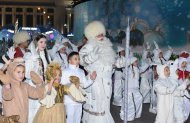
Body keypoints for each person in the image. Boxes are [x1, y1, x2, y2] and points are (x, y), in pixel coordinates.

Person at [79, 21, 116, 123]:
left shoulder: (108, 47)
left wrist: (118, 63)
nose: (101, 36)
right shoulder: (88, 46)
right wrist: (92, 57)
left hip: (107, 81)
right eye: (98, 34)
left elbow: (112, 63)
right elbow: (81, 60)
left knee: (106, 104)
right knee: (98, 105)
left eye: (102, 34)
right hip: (96, 80)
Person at [0, 57, 44, 123]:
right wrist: (7, 86)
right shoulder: (8, 84)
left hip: (23, 118)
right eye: (18, 72)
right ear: (12, 72)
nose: (21, 75)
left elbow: (37, 94)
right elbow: (7, 97)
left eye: (23, 72)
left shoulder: (25, 85)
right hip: (12, 119)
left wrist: (39, 84)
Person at [61, 52, 97, 123]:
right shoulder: (65, 71)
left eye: (78, 59)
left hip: (79, 100)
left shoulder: (81, 71)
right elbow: (62, 86)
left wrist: (91, 79)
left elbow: (85, 85)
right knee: (69, 118)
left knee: (78, 118)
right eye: (75, 59)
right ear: (69, 60)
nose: (78, 61)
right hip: (69, 100)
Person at [24, 34, 51, 123]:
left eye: (45, 42)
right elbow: (27, 74)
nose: (44, 44)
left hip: (45, 86)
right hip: (33, 86)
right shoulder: (29, 55)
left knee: (43, 110)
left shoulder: (46, 55)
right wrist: (33, 61)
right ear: (36, 43)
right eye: (41, 42)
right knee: (34, 110)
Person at [120, 57, 143, 121]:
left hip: (136, 89)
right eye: (135, 61)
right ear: (132, 62)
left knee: (140, 98)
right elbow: (123, 75)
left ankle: (136, 114)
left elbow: (144, 67)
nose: (137, 62)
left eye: (137, 61)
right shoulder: (128, 69)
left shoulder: (137, 69)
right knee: (130, 103)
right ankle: (128, 116)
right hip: (129, 89)